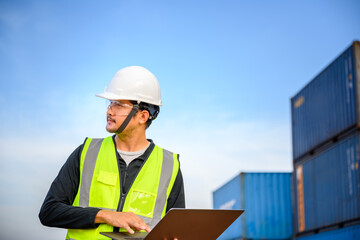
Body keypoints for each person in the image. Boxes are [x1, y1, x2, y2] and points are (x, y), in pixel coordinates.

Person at [39, 66, 185, 240]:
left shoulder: (169, 165)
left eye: (119, 105)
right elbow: (49, 211)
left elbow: (176, 231)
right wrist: (106, 215)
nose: (109, 111)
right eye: (110, 103)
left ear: (143, 116)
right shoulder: (86, 153)